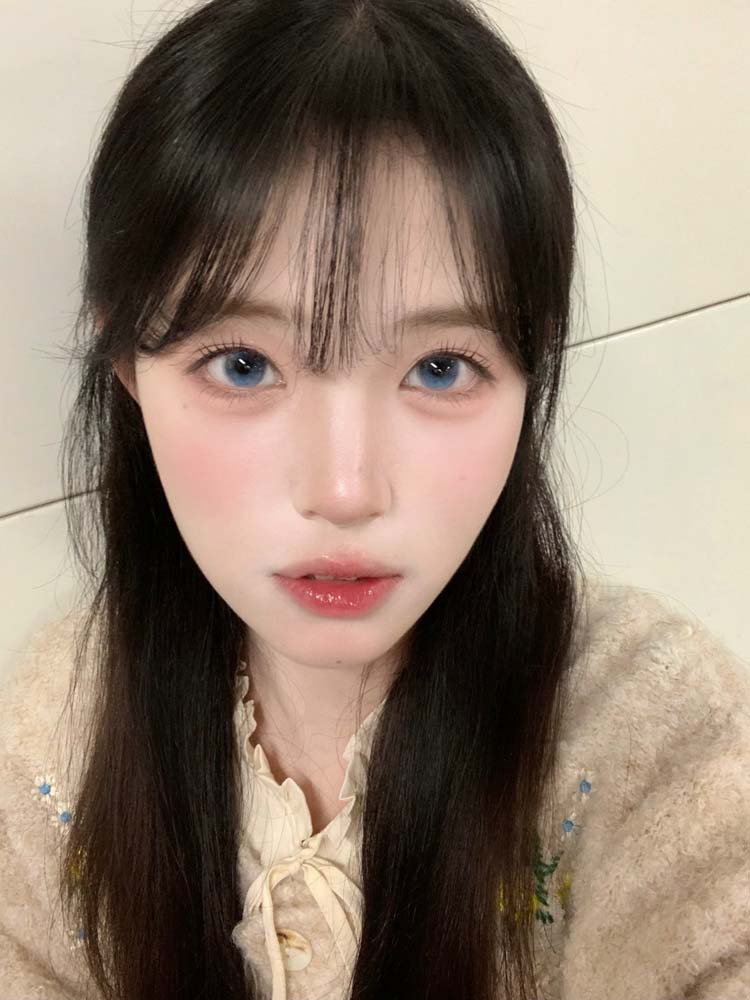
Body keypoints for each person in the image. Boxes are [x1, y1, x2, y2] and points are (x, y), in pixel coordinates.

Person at [2, 1, 749, 998]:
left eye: (441, 367)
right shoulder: (52, 743)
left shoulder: (656, 739)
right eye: (242, 362)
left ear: (531, 370)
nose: (345, 491)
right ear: (128, 365)